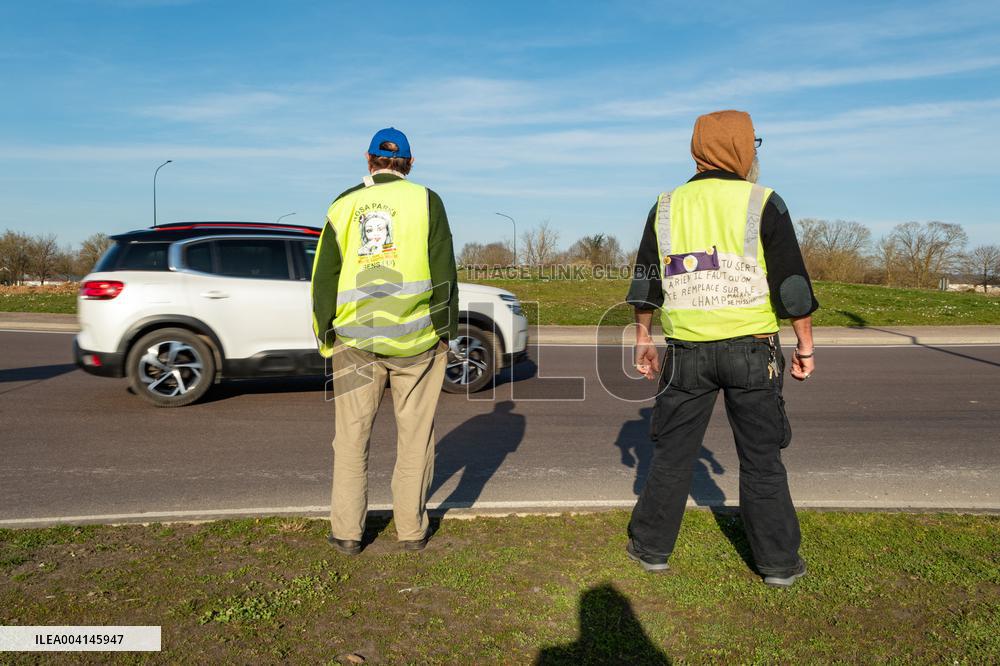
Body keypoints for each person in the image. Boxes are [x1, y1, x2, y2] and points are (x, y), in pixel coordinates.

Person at [624, 110, 818, 587]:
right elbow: (791, 283)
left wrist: (643, 337)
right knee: (761, 458)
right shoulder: (763, 200)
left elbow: (646, 279)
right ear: (741, 147)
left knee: (672, 454)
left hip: (687, 353)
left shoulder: (665, 205)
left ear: (699, 148)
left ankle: (650, 549)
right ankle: (777, 565)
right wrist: (805, 344)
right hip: (751, 350)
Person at [311, 127, 458, 555]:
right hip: (418, 343)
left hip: (355, 341)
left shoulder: (344, 204)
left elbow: (324, 276)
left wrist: (326, 333)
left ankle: (348, 533)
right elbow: (444, 271)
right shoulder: (427, 201)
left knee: (351, 437)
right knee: (415, 438)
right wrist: (445, 331)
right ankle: (411, 531)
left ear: (368, 159)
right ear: (409, 163)